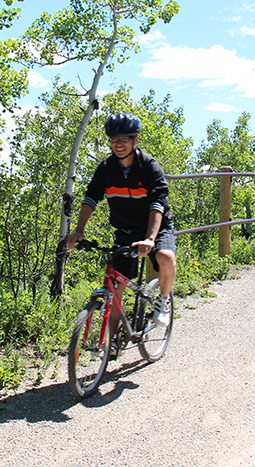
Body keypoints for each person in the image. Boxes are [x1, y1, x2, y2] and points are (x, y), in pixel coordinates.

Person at [66, 112, 177, 331]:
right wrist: (78, 231)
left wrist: (150, 238)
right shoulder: (107, 168)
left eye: (124, 139)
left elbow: (157, 204)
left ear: (135, 140)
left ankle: (163, 300)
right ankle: (112, 342)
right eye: (114, 140)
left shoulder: (148, 166)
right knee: (115, 288)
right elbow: (91, 198)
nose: (118, 144)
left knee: (165, 257)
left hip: (156, 227)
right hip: (126, 231)